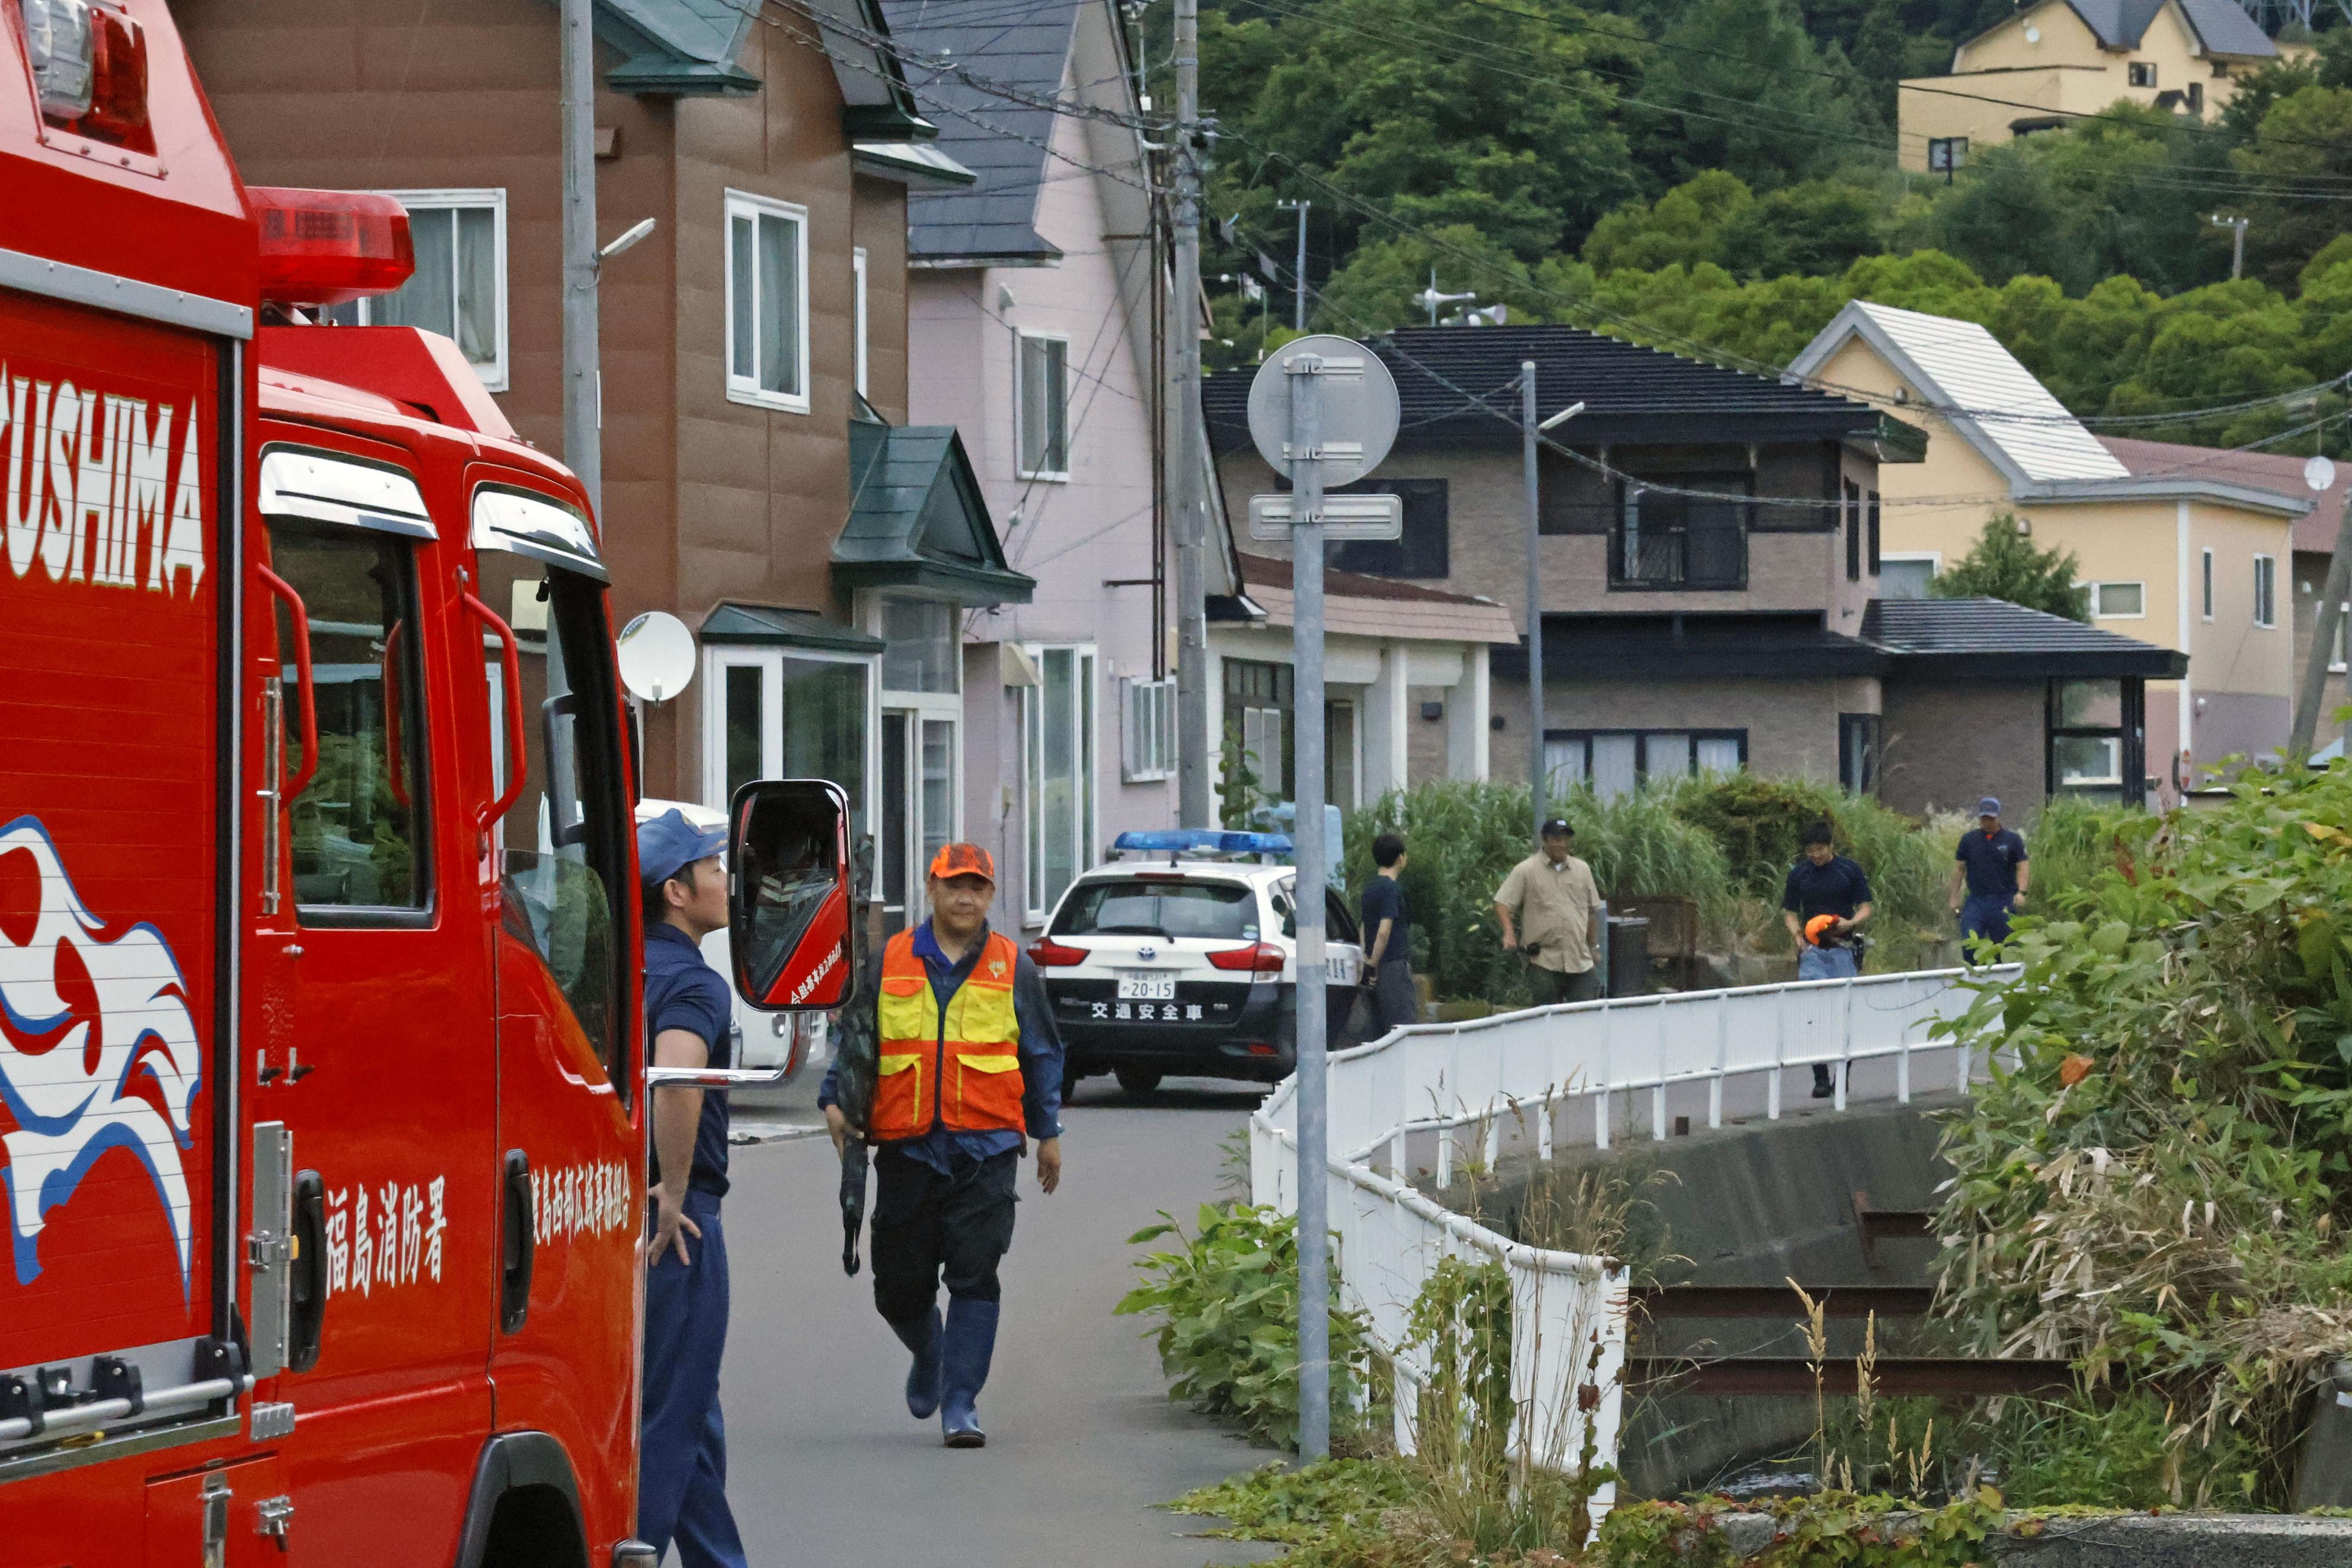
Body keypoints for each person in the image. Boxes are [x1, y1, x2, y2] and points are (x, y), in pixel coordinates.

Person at [819, 843, 1063, 1448]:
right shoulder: (889, 960)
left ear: (990, 895)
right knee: (897, 1287)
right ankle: (930, 1351)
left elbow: (1040, 1052)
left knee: (975, 1275)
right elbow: (856, 1041)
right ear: (931, 889)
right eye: (955, 884)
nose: (966, 896)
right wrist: (833, 1100)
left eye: (977, 887)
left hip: (986, 1149)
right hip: (906, 1148)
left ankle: (961, 1402)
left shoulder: (1015, 966)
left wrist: (1048, 1133)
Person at [637, 808, 749, 1568]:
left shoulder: (623, 966)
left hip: (614, 1204)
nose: (726, 882)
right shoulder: (692, 983)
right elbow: (676, 1077)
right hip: (679, 1220)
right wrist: (673, 1189)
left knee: (691, 1411)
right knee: (668, 1424)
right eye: (714, 870)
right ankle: (628, 1548)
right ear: (676, 891)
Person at [1781, 820, 1873, 1100]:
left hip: (1843, 948)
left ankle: (1842, 1075)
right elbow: (1789, 911)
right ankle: (1820, 1078)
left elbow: (1866, 907)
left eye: (1820, 849)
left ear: (1831, 846)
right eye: (1811, 850)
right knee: (1813, 1012)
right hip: (1812, 951)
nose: (1816, 855)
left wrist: (1851, 922)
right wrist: (1798, 937)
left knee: (1845, 1013)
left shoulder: (1849, 870)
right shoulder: (1799, 874)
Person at [1494, 818, 1606, 1006]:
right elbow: (1502, 903)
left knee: (1587, 1012)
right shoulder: (1526, 870)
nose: (1562, 845)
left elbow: (1591, 912)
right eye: (1556, 839)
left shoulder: (1582, 870)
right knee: (1547, 1014)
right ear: (1545, 840)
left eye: (1565, 839)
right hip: (1543, 960)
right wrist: (1509, 933)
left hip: (1579, 959)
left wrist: (1593, 948)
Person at [1949, 796, 2029, 949]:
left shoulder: (2012, 839)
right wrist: (1954, 899)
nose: (1987, 821)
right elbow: (1959, 869)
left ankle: (2002, 972)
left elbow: (2023, 866)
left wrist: (2022, 892)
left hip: (2004, 899)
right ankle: (1973, 972)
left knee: (2005, 946)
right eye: (1984, 818)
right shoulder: (1969, 840)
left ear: (1997, 816)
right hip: (1977, 899)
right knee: (1970, 942)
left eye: (1990, 818)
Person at [1360, 831, 1418, 1033]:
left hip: (1372, 964)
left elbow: (1364, 926)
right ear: (1400, 859)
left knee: (1379, 1028)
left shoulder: (1369, 889)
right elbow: (1384, 931)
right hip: (1393, 964)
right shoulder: (1392, 890)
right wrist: (1374, 963)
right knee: (1403, 1027)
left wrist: (1367, 959)